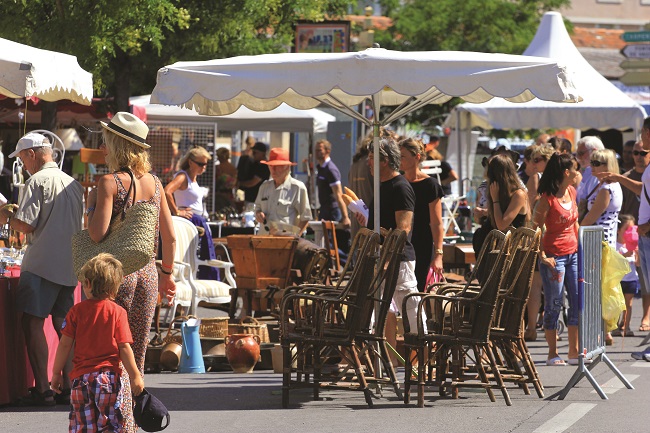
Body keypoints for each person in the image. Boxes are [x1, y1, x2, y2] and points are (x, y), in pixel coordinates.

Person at [87, 112, 176, 432]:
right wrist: (167, 274)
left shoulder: (109, 182)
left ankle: (115, 421)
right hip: (149, 273)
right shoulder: (155, 184)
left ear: (116, 144)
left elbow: (96, 234)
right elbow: (170, 235)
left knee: (110, 351)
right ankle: (131, 423)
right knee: (135, 351)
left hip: (117, 274)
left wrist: (91, 204)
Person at [0, 132, 83, 406]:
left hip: (42, 264)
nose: (23, 164)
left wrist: (7, 216)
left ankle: (45, 389)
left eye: (22, 157)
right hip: (68, 265)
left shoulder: (36, 181)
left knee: (32, 322)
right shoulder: (73, 183)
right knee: (65, 327)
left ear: (33, 153)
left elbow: (27, 224)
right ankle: (69, 387)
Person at [51, 253, 143, 433]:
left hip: (81, 379)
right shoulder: (118, 312)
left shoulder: (76, 311)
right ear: (115, 287)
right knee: (110, 424)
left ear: (87, 283)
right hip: (108, 379)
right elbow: (124, 347)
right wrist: (135, 376)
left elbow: (64, 344)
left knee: (82, 425)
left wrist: (56, 373)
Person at [355, 134, 423, 363]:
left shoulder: (400, 187)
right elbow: (384, 225)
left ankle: (423, 361)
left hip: (398, 260)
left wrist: (386, 260)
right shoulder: (381, 186)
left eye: (372, 157)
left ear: (384, 160)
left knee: (411, 309)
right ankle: (387, 362)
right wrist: (366, 220)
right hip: (382, 258)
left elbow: (402, 230)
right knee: (383, 311)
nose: (368, 162)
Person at [596, 139, 650, 332]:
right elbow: (642, 191)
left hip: (645, 233)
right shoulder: (631, 176)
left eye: (643, 152)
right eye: (636, 152)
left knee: (645, 286)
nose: (637, 156)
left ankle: (646, 319)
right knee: (640, 284)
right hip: (637, 236)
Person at [533, 153, 581, 366]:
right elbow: (535, 229)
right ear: (566, 172)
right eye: (575, 169)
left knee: (577, 300)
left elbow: (574, 223)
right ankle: (552, 353)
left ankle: (574, 350)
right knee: (554, 303)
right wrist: (542, 256)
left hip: (573, 254)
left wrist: (581, 248)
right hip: (554, 257)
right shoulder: (546, 199)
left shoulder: (571, 191)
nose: (578, 173)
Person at [164, 147, 219, 280]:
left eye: (206, 164)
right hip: (191, 220)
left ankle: (203, 280)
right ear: (190, 162)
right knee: (201, 253)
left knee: (204, 253)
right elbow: (167, 191)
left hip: (197, 219)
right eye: (200, 164)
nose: (204, 167)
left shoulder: (192, 179)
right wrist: (177, 211)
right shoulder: (183, 176)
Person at [399, 137, 445, 291]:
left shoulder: (430, 185)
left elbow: (437, 222)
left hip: (423, 245)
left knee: (420, 290)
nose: (400, 160)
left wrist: (438, 255)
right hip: (403, 245)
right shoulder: (399, 183)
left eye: (403, 156)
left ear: (416, 157)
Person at [254, 148, 312, 236]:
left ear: (287, 167)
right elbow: (257, 208)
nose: (273, 169)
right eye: (270, 166)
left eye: (277, 166)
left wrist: (295, 238)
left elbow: (306, 218)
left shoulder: (297, 188)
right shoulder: (264, 187)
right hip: (263, 240)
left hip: (285, 242)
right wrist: (258, 214)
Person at [580, 149, 622, 247]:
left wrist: (575, 234)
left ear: (608, 165)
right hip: (599, 239)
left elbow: (591, 218)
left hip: (600, 242)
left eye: (596, 163)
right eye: (591, 162)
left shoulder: (607, 189)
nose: (592, 166)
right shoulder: (605, 185)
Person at [487, 153, 529, 231]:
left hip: (514, 241)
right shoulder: (500, 193)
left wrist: (495, 200)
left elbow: (501, 225)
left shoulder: (518, 194)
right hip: (500, 240)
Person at [314, 139, 351, 227]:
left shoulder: (331, 170)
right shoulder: (320, 168)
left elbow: (338, 194)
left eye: (319, 150)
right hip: (323, 210)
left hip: (332, 212)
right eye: (316, 150)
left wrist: (345, 217)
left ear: (328, 151)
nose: (316, 152)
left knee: (331, 239)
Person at [613, 214, 639, 337]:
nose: (630, 233)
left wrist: (637, 252)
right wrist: (627, 253)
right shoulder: (615, 246)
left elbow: (638, 263)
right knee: (617, 304)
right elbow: (616, 260)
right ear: (619, 231)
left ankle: (626, 326)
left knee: (628, 304)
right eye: (627, 230)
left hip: (631, 278)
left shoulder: (634, 247)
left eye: (632, 230)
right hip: (619, 279)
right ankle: (615, 326)